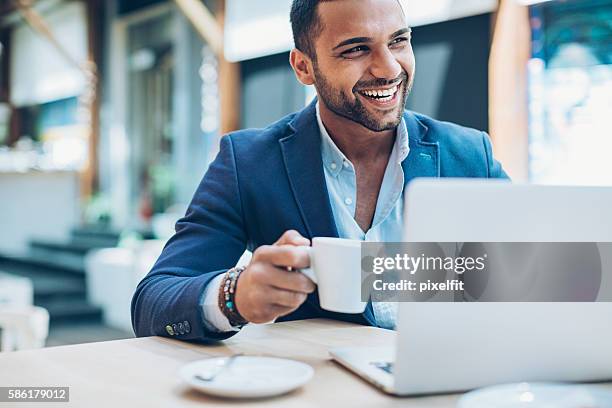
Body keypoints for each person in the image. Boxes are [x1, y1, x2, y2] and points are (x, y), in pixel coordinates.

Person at [131, 0, 508, 342]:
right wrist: (235, 295)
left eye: (398, 41)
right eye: (356, 49)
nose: (389, 68)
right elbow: (152, 303)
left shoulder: (471, 154)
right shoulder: (248, 162)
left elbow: (541, 275)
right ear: (303, 66)